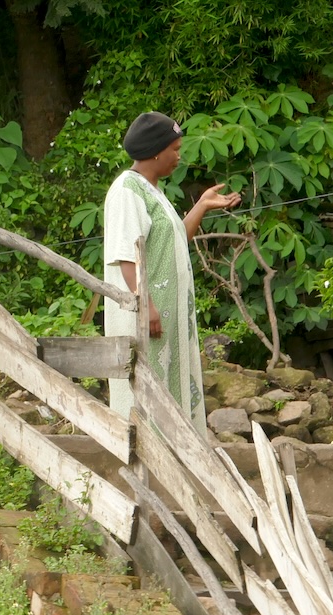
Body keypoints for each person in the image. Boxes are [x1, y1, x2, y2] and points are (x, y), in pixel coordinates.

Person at [102, 111, 240, 433]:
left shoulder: (153, 191)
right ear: (155, 151)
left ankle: (175, 464)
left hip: (166, 316)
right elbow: (126, 256)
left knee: (169, 392)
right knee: (144, 393)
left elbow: (177, 236)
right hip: (148, 315)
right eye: (175, 149)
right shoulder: (127, 191)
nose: (179, 156)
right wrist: (145, 306)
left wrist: (203, 205)